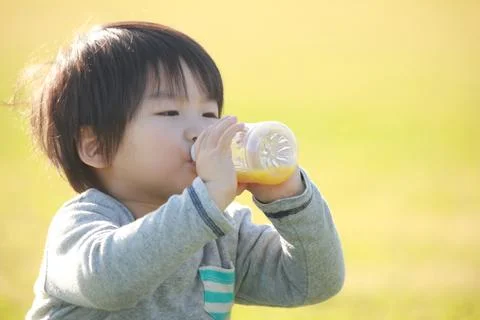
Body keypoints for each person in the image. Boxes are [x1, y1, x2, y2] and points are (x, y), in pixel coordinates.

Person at [25, 21, 344, 319]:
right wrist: (204, 203)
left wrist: (289, 200)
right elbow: (109, 282)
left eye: (209, 113)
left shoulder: (223, 234)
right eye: (169, 112)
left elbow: (313, 280)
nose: (199, 131)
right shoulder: (83, 224)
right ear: (97, 147)